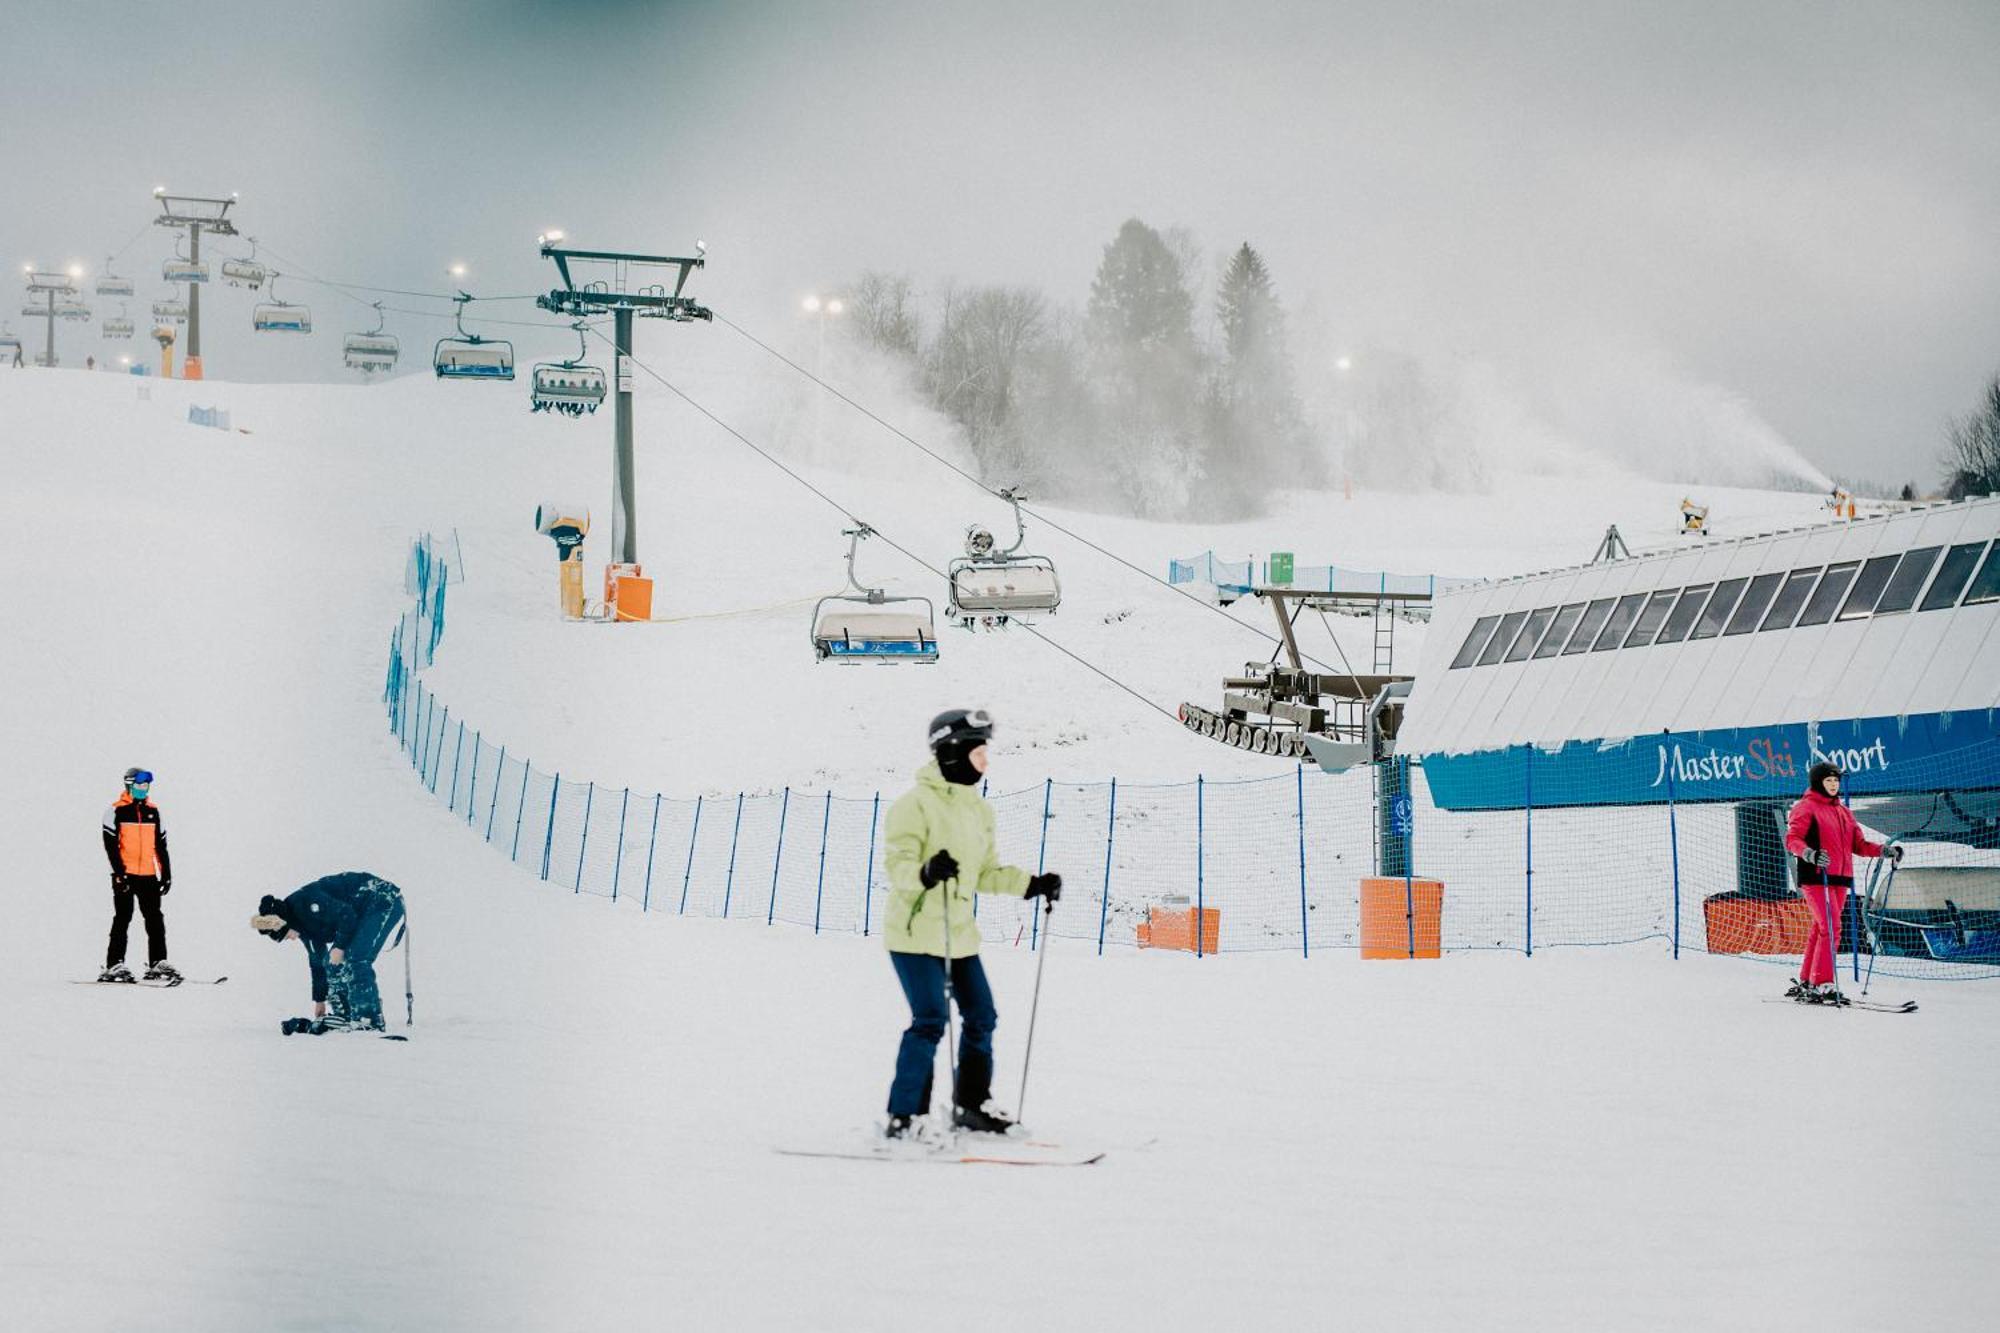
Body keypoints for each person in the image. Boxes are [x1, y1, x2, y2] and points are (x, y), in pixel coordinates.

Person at [881, 709, 1063, 1138]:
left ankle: (971, 1104)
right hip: (913, 935)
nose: (985, 763)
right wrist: (925, 872)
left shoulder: (978, 810)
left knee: (982, 1015)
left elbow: (985, 871)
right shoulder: (913, 805)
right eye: (979, 753)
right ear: (954, 752)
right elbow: (898, 866)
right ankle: (906, 1116)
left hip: (959, 936)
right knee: (929, 1020)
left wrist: (1032, 884)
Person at [1784, 762, 1900, 1004]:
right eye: (1829, 781)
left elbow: (1859, 845)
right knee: (1831, 927)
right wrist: (1810, 854)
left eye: (1836, 781)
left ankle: (1808, 979)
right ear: (1818, 783)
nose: (1834, 785)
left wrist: (1883, 851)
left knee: (1821, 927)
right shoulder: (1805, 808)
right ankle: (1822, 983)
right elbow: (1792, 840)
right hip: (1816, 876)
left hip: (1840, 878)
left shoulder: (1844, 812)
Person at [249, 872, 407, 1031]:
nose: (289, 939)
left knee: (356, 958)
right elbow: (317, 960)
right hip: (363, 911)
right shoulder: (301, 925)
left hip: (382, 898)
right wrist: (320, 1000)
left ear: (285, 923)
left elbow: (346, 914)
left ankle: (369, 1019)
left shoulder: (307, 903)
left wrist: (339, 946)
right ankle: (346, 1015)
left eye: (285, 935)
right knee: (330, 963)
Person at [100, 767, 175, 982]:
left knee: (155, 919)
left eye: (146, 785)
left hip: (148, 875)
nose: (144, 789)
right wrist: (119, 873)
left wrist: (166, 873)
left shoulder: (154, 812)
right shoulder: (115, 811)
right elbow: (111, 847)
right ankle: (114, 964)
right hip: (125, 874)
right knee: (123, 917)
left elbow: (161, 846)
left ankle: (158, 963)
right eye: (140, 785)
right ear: (129, 785)